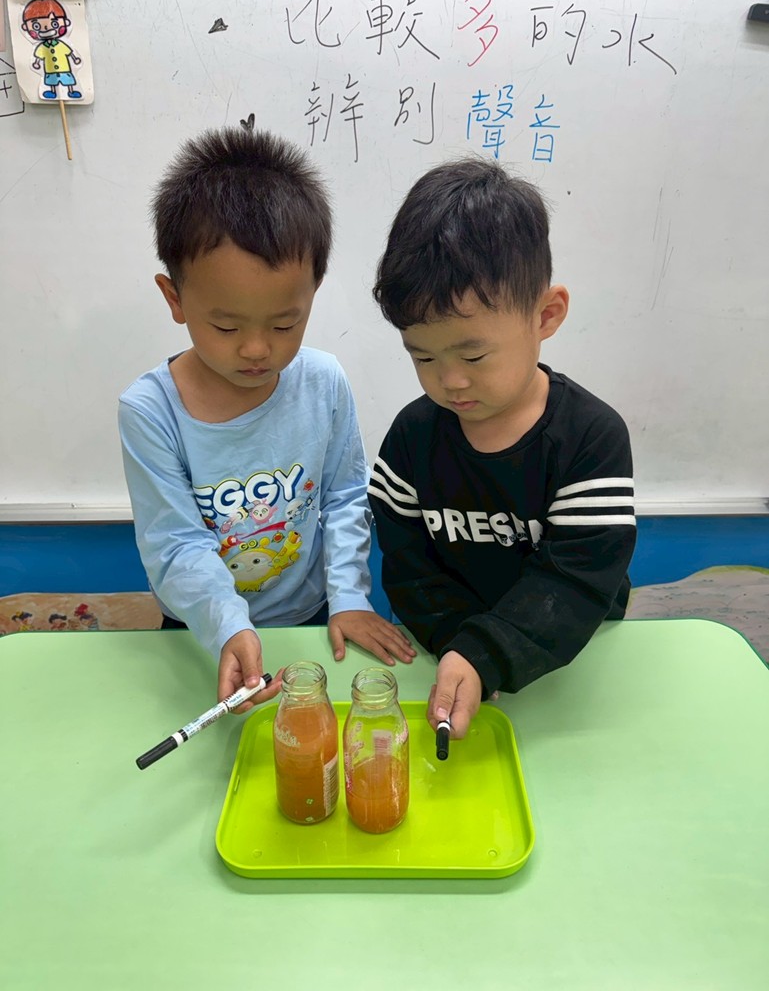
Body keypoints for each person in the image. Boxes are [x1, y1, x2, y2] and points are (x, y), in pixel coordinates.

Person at [119, 128, 414, 712]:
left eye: (285, 324)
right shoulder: (150, 411)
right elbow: (176, 545)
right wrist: (229, 626)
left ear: (313, 292)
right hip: (202, 627)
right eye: (226, 326)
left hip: (311, 614)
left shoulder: (323, 381)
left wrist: (349, 597)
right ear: (174, 298)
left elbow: (345, 497)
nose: (257, 349)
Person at [368, 157, 636, 741]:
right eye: (423, 357)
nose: (450, 381)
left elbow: (576, 582)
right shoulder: (412, 436)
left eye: (473, 355)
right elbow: (408, 565)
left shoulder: (591, 438)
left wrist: (485, 651)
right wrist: (460, 647)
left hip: (573, 653)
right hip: (452, 658)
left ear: (546, 316)